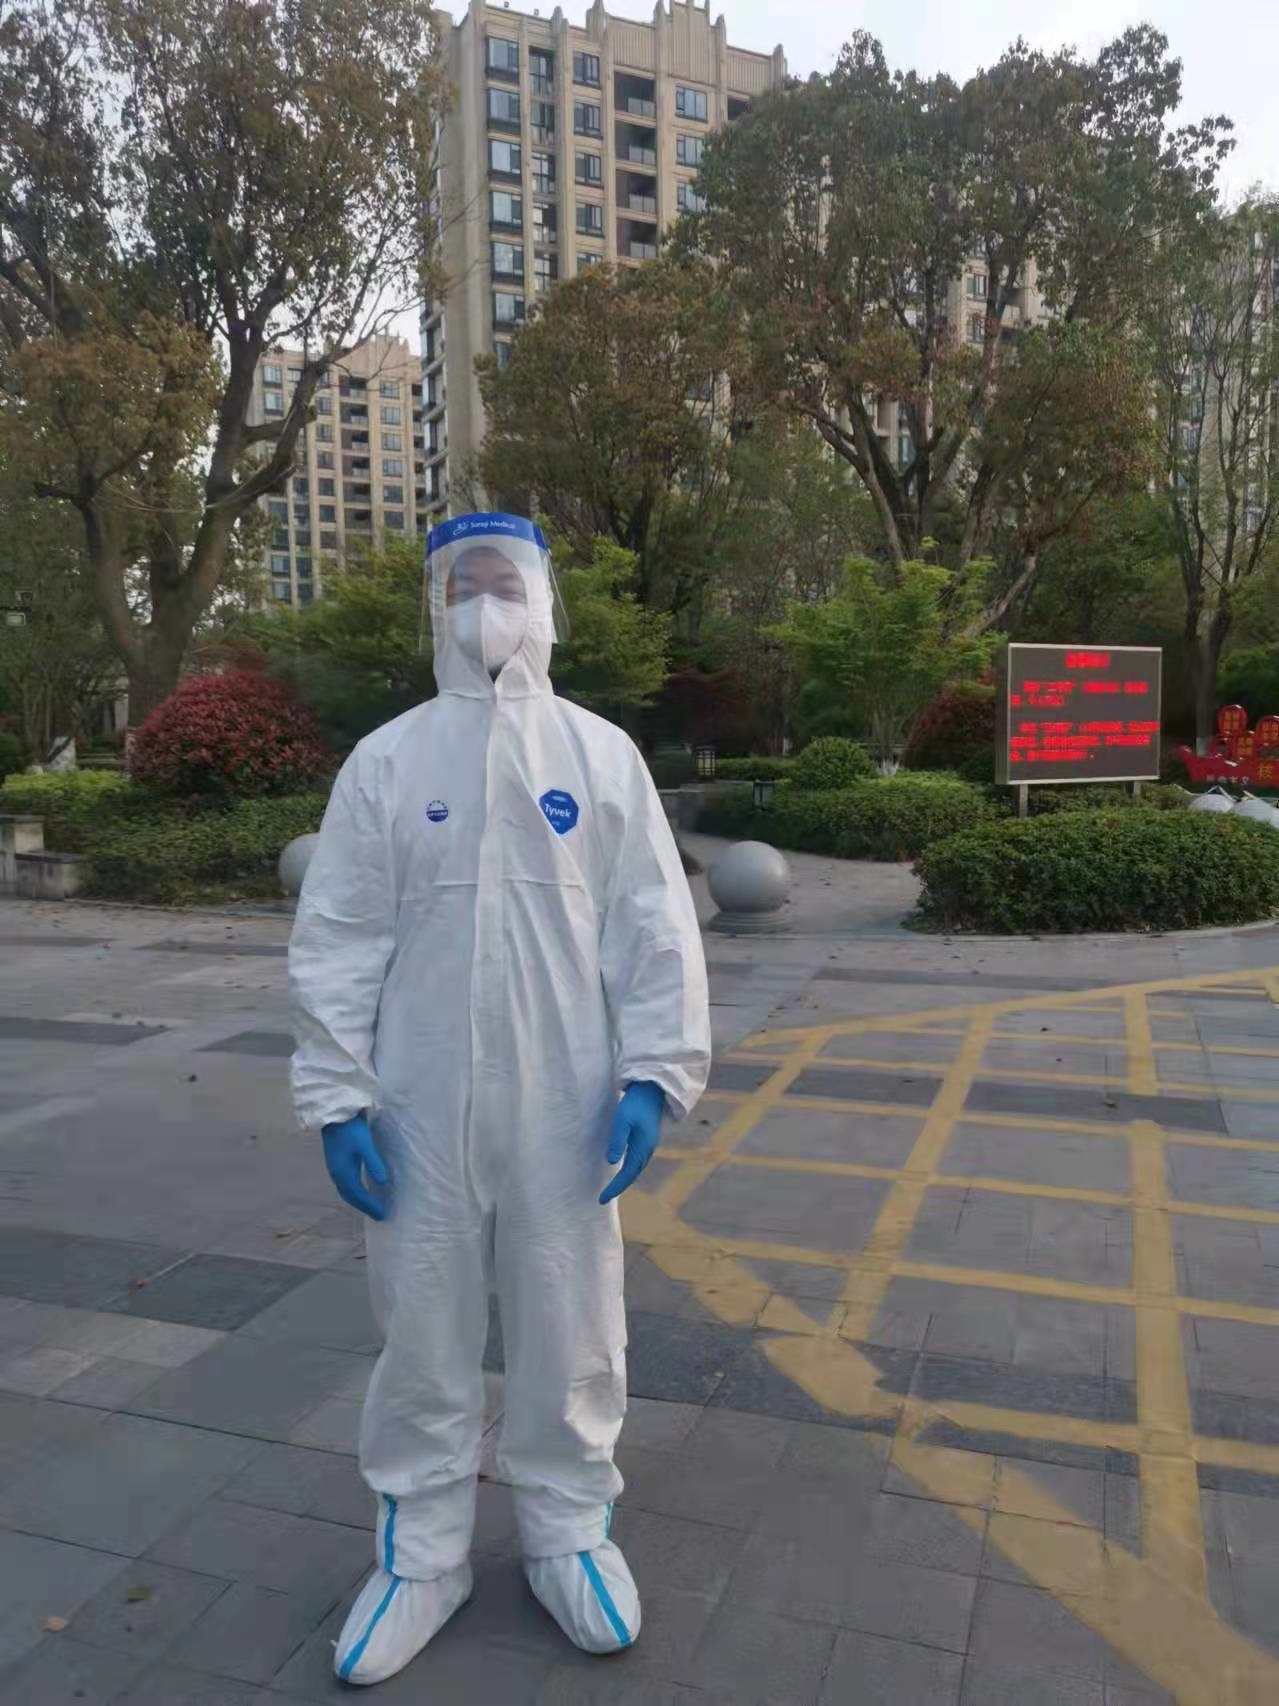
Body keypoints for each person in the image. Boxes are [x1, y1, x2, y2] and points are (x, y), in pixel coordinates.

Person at [289, 513, 710, 1686]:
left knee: (568, 1316)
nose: (485, 606)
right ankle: (421, 1552)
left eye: (505, 583)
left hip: (564, 1097)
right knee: (421, 1324)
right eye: (464, 584)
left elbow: (653, 924)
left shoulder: (599, 754)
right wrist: (337, 1093)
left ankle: (566, 1529)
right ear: (438, 606)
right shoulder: (388, 760)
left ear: (542, 602)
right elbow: (339, 933)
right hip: (415, 1098)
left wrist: (652, 1073)